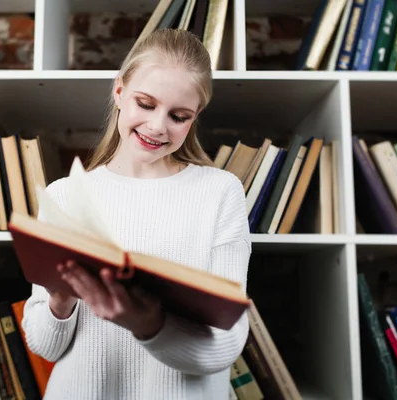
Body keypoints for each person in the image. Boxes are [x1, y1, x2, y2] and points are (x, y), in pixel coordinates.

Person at [21, 28, 251, 400]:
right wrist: (60, 301)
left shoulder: (219, 192)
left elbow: (227, 345)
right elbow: (44, 346)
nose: (158, 126)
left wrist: (151, 326)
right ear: (119, 91)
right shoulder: (64, 195)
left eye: (179, 116)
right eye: (145, 104)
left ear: (196, 116)